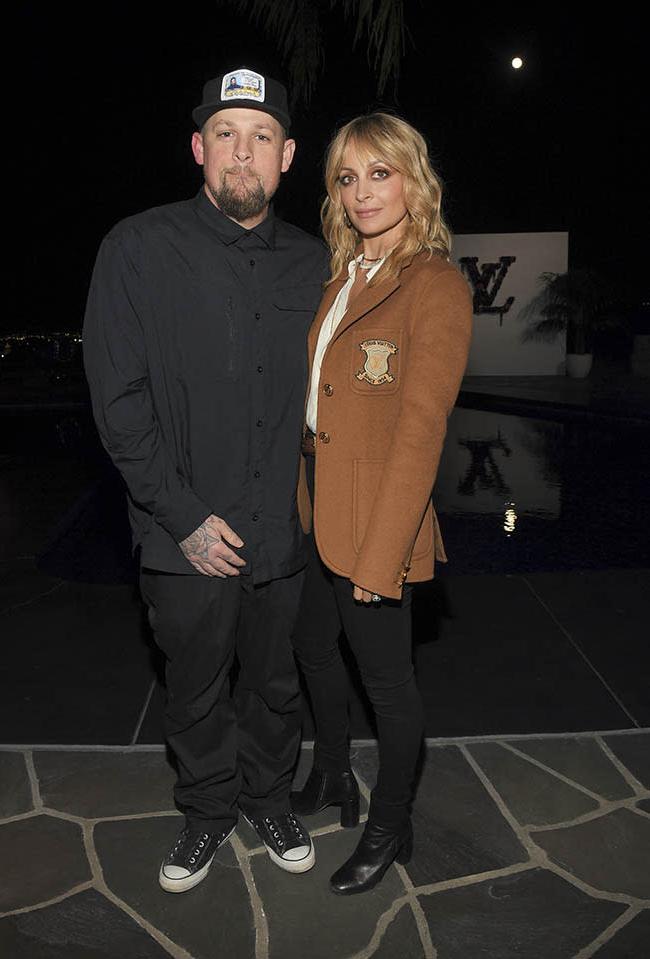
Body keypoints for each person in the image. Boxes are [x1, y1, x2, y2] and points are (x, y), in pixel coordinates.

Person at [83, 67, 328, 892]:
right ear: (198, 147)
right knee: (193, 688)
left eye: (260, 136)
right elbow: (116, 402)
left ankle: (267, 797)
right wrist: (184, 515)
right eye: (225, 133)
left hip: (283, 531)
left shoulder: (315, 261)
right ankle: (207, 812)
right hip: (182, 531)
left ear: (287, 155)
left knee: (274, 683)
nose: (241, 152)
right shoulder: (136, 248)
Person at [290, 112, 473, 894]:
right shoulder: (340, 276)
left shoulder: (433, 284)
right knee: (310, 646)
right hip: (313, 505)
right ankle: (334, 773)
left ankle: (390, 824)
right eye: (346, 176)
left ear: (412, 180)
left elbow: (419, 432)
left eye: (379, 172)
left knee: (388, 684)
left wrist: (382, 551)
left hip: (372, 521)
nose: (362, 191)